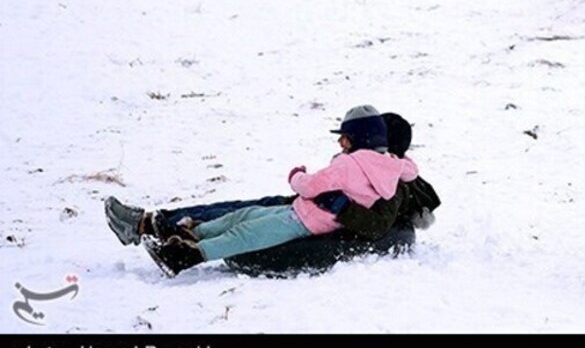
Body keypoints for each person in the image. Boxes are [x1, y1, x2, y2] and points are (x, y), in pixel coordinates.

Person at [106, 109, 422, 276]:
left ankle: (155, 230)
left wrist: (336, 204)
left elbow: (377, 226)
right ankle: (165, 225)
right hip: (309, 205)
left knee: (247, 222)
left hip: (316, 215)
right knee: (243, 211)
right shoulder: (376, 166)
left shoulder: (393, 184)